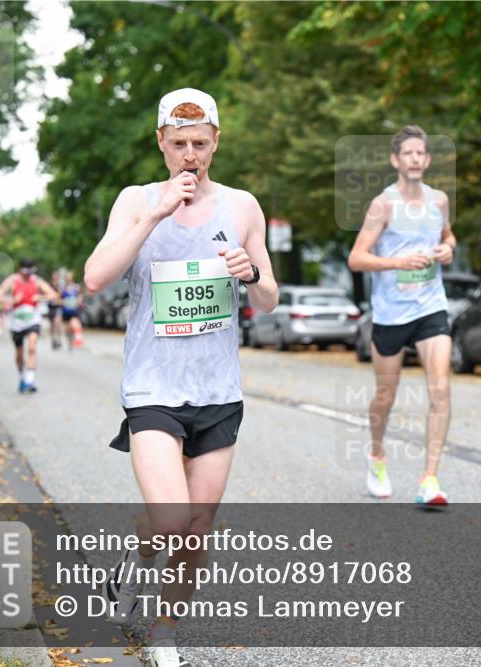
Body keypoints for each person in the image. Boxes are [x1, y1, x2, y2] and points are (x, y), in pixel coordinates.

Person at [84, 88, 277, 667]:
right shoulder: (135, 200)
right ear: (161, 144)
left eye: (200, 143)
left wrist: (251, 274)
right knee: (171, 520)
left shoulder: (242, 207)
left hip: (218, 391)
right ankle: (136, 565)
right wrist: (155, 213)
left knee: (197, 530)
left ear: (216, 141)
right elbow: (96, 277)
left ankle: (164, 629)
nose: (189, 155)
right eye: (178, 144)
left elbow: (268, 298)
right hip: (153, 388)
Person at [347, 125, 457, 507]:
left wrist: (446, 249)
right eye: (407, 153)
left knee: (440, 388)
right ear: (396, 160)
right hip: (391, 313)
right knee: (385, 395)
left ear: (426, 160)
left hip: (431, 307)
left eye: (420, 153)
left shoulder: (439, 200)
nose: (414, 159)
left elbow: (448, 236)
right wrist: (397, 261)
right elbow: (356, 258)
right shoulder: (384, 205)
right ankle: (377, 455)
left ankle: (430, 479)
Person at [0, 258, 60, 394]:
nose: (28, 275)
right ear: (20, 270)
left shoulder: (36, 280)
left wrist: (40, 298)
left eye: (30, 272)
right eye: (26, 272)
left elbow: (53, 294)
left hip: (33, 320)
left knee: (32, 346)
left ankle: (30, 380)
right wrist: (12, 300)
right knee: (19, 354)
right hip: (17, 322)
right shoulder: (12, 280)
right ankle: (22, 378)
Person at [60, 270, 85, 348]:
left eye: (70, 276)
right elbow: (58, 297)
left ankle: (78, 339)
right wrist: (62, 302)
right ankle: (69, 340)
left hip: (73, 310)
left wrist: (79, 301)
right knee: (68, 328)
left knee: (76, 324)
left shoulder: (76, 287)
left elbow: (80, 295)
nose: (68, 278)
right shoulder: (62, 288)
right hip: (65, 310)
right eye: (67, 276)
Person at [47, 269, 65, 350]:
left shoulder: (60, 286)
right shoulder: (49, 285)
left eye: (56, 275)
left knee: (57, 323)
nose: (55, 277)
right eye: (53, 275)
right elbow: (47, 295)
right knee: (52, 326)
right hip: (51, 307)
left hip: (58, 307)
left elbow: (61, 296)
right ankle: (53, 340)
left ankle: (59, 340)